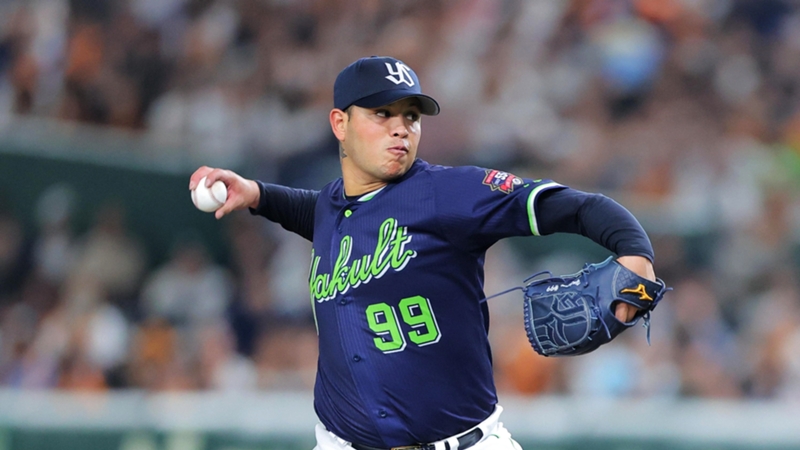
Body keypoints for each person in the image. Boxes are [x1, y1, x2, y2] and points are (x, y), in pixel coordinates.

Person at [189, 56, 658, 450]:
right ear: (340, 123)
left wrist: (635, 252)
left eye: (410, 117)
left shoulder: (449, 194)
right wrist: (256, 194)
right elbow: (318, 212)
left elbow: (577, 207)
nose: (401, 130)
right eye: (382, 114)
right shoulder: (334, 204)